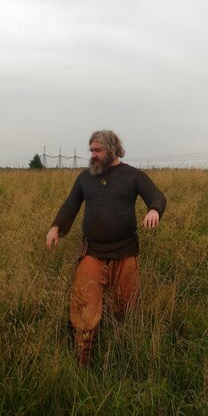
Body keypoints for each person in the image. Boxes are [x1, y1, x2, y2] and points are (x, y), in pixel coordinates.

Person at [46, 130, 166, 365]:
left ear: (112, 149)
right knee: (84, 308)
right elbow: (71, 205)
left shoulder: (133, 176)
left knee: (125, 305)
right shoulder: (85, 178)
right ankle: (83, 358)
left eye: (98, 150)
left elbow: (157, 197)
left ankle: (123, 350)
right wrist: (56, 228)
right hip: (92, 252)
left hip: (125, 251)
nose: (93, 154)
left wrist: (154, 210)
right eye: (91, 150)